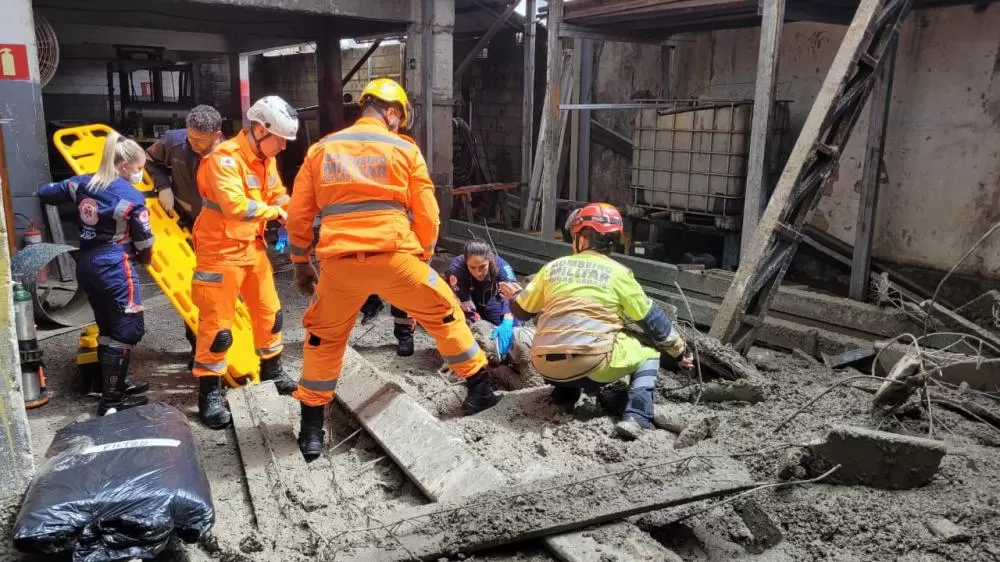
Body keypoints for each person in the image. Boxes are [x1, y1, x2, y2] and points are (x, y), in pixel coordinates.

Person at [286, 77, 500, 460]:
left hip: (339, 266)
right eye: (399, 118)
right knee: (444, 313)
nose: (399, 125)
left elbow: (299, 214)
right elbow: (429, 213)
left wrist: (302, 263)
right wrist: (423, 252)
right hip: (396, 257)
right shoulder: (404, 149)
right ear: (391, 111)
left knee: (324, 338)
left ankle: (312, 430)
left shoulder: (321, 150)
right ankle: (480, 390)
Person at [499, 203, 694, 438]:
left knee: (562, 334)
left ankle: (563, 397)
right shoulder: (619, 273)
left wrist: (514, 295)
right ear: (614, 240)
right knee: (648, 354)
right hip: (591, 365)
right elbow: (654, 322)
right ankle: (638, 417)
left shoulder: (553, 267)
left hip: (544, 364)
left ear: (580, 237)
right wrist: (681, 352)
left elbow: (521, 311)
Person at [190, 95, 298, 429]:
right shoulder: (223, 159)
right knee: (217, 327)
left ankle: (272, 372)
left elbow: (276, 193)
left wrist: (293, 209)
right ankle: (209, 393)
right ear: (259, 129)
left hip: (252, 247)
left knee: (270, 313)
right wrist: (277, 213)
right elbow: (237, 206)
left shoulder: (265, 160)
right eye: (280, 139)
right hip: (219, 250)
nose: (283, 146)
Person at [38, 131, 156, 416]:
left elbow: (45, 192)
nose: (141, 173)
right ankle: (112, 401)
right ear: (125, 166)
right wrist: (145, 260)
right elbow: (144, 241)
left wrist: (73, 190)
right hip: (114, 264)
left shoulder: (81, 183)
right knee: (129, 328)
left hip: (86, 262)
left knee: (107, 326)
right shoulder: (131, 196)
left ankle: (112, 385)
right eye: (139, 168)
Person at [145, 104, 225, 364]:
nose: (194, 144)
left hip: (218, 230)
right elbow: (148, 160)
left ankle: (222, 345)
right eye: (191, 138)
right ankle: (197, 346)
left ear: (217, 135)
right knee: (193, 287)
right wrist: (163, 187)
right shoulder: (174, 141)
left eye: (201, 141)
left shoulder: (231, 156)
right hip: (185, 223)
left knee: (218, 289)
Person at [446, 239, 520, 356]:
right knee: (467, 334)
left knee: (514, 327)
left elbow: (512, 297)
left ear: (489, 260)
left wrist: (507, 321)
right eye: (472, 267)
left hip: (490, 298)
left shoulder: (501, 266)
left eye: (482, 267)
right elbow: (466, 306)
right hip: (465, 301)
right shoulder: (456, 270)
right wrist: (480, 326)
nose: (478, 273)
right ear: (466, 262)